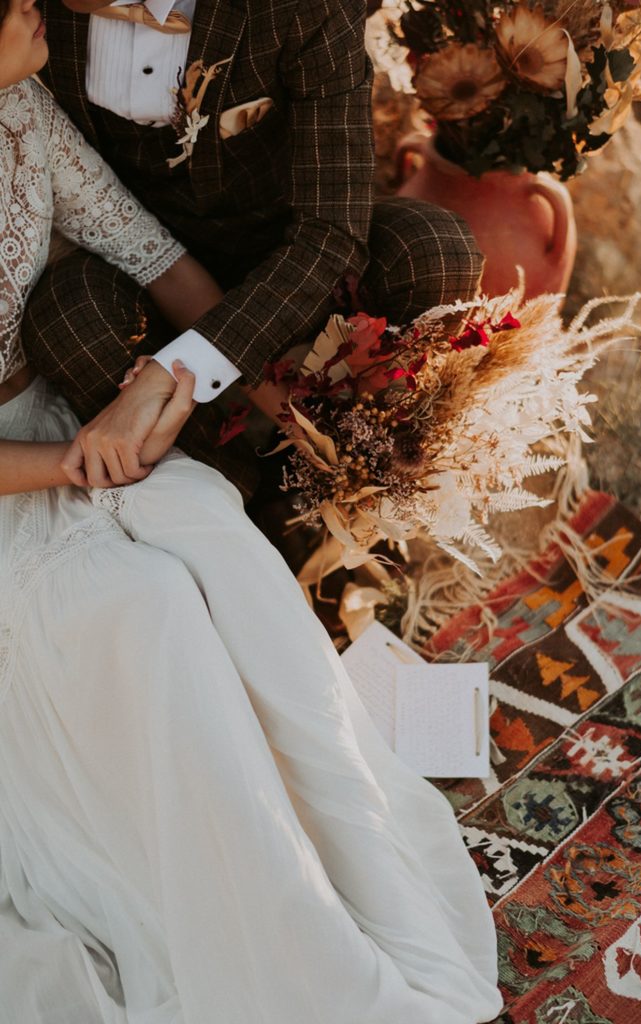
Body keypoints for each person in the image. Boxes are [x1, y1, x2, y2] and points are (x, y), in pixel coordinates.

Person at [0, 2, 503, 1022]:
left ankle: (339, 856)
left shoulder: (21, 110)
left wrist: (262, 390)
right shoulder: (48, 43)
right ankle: (286, 949)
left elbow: (150, 250)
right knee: (148, 613)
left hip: (87, 418)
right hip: (27, 472)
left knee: (211, 545)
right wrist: (73, 462)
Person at [21, 0, 484, 503]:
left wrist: (177, 368)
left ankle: (348, 481)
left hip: (289, 251)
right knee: (66, 317)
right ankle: (240, 498)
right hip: (134, 250)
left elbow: (332, 231)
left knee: (434, 251)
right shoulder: (33, 16)